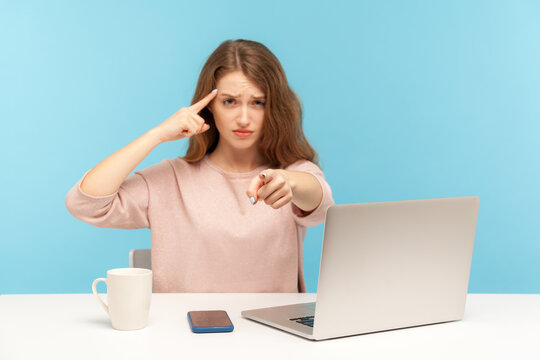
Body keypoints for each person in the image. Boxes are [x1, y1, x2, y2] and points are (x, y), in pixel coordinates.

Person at [65, 39, 334, 293]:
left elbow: (321, 204)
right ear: (210, 107)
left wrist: (289, 182)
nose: (243, 117)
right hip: (186, 334)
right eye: (230, 101)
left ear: (274, 107)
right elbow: (84, 204)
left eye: (258, 103)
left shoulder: (295, 173)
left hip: (272, 336)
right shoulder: (170, 179)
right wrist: (155, 135)